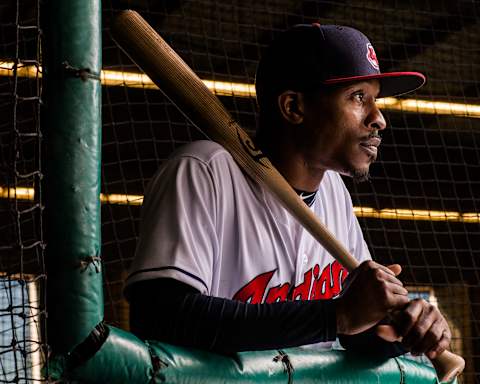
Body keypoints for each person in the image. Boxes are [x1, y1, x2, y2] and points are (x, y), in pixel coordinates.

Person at [125, 24, 451, 359]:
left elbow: (350, 332)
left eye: (375, 100)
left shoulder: (335, 194)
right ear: (294, 107)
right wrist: (334, 317)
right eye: (358, 97)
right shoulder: (204, 171)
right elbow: (161, 317)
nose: (378, 118)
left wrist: (403, 330)